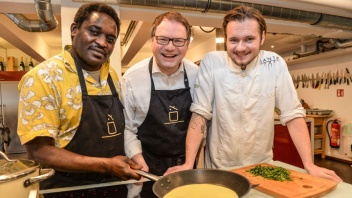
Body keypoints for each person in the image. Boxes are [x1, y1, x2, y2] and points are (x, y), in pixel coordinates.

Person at [165, 5, 342, 182]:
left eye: (249, 39)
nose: (241, 48)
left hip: (261, 168)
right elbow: (200, 114)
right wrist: (189, 163)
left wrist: (309, 165)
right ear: (226, 39)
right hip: (220, 169)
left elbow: (293, 115)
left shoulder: (275, 64)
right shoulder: (212, 62)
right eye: (234, 40)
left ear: (262, 37)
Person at [16, 2, 142, 190]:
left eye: (110, 38)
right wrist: (107, 165)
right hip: (68, 189)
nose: (102, 43)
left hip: (113, 185)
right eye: (94, 32)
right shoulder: (44, 78)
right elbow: (39, 152)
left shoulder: (111, 75)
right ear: (74, 29)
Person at [121, 11, 199, 197]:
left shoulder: (197, 75)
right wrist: (140, 163)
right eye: (163, 39)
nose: (170, 47)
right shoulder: (132, 79)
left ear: (187, 44)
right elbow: (127, 128)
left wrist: (190, 162)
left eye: (178, 41)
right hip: (147, 167)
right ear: (152, 40)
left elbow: (201, 121)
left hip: (186, 166)